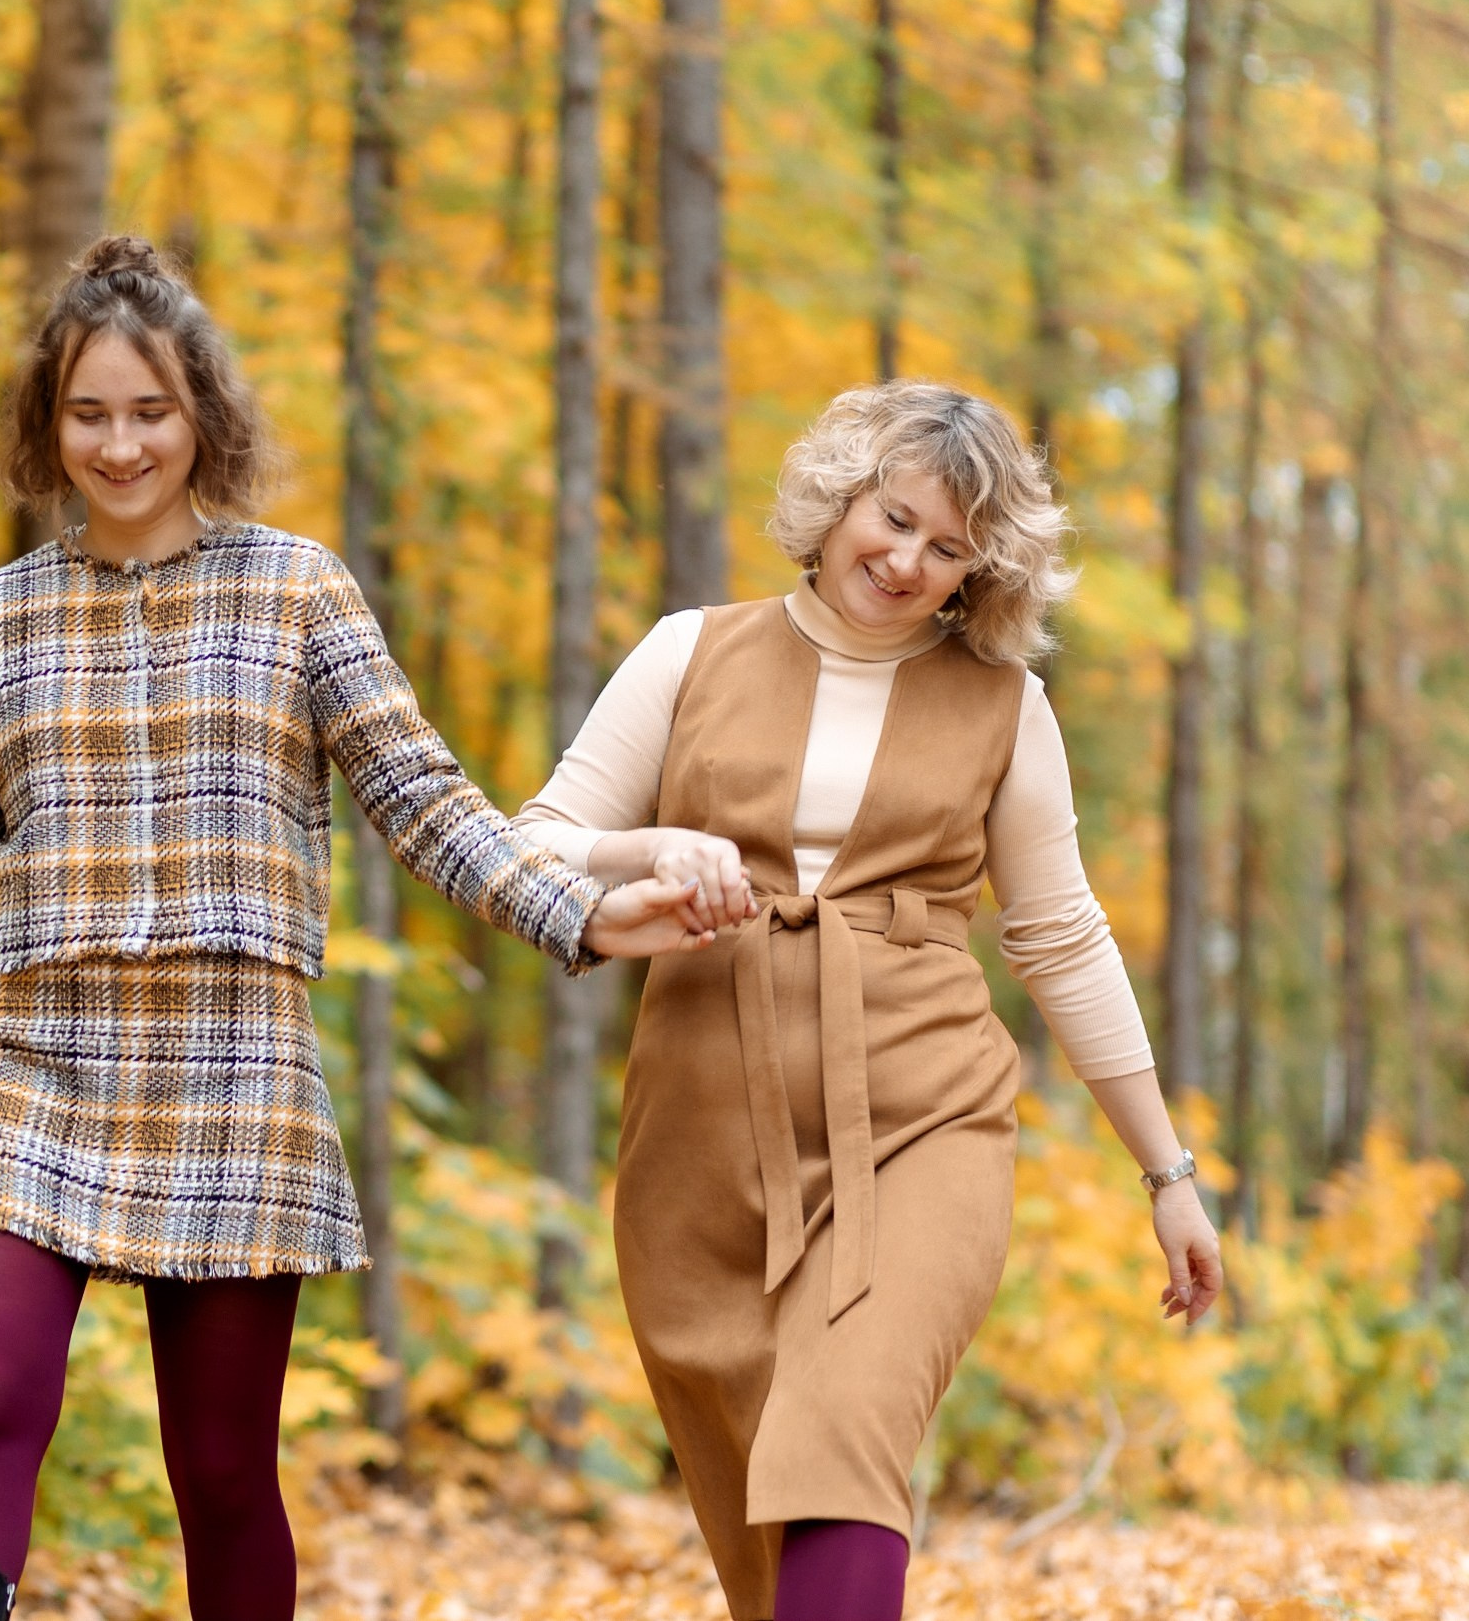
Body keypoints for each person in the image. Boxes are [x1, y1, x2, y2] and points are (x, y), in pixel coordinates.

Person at [0, 235, 711, 1621]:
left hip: (232, 1061)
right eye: (88, 413)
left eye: (151, 411)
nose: (120, 445)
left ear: (204, 417)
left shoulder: (297, 588)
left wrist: (586, 913)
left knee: (227, 1468)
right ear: (45, 423)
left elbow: (422, 798)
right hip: (19, 1055)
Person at [516, 380, 1227, 1621]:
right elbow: (535, 845)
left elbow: (1059, 938)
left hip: (922, 1118)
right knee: (757, 1513)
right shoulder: (690, 649)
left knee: (842, 1442)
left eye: (948, 548)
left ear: (979, 572)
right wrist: (653, 849)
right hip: (698, 1136)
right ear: (836, 497)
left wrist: (1165, 1175)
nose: (905, 561)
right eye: (891, 519)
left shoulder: (1005, 707)